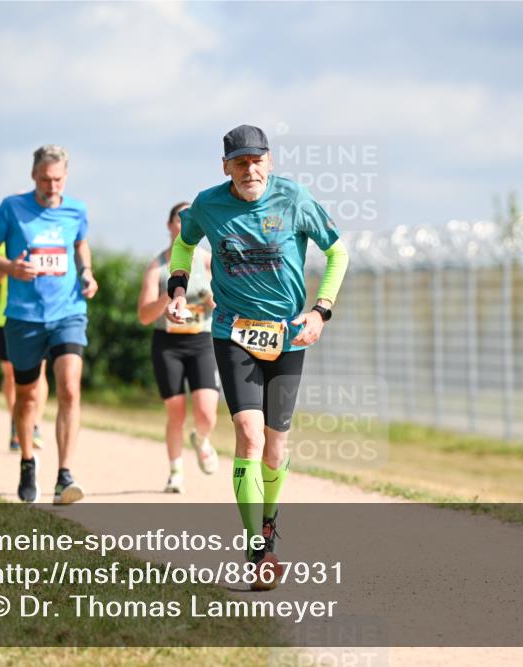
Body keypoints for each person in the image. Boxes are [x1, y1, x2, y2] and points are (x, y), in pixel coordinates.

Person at [166, 125, 349, 589]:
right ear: (225, 166)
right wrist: (178, 287)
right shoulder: (207, 204)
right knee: (248, 435)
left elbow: (337, 253)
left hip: (288, 337)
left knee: (275, 447)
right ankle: (258, 551)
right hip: (233, 333)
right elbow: (185, 243)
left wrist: (320, 312)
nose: (251, 169)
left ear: (269, 160)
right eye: (241, 162)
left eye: (257, 160)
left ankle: (269, 521)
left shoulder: (295, 198)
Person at [0, 144, 98, 504]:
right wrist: (10, 268)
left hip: (68, 311)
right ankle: (28, 461)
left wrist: (88, 273)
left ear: (66, 177)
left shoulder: (76, 209)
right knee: (28, 396)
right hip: (24, 316)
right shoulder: (12, 208)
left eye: (58, 179)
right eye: (46, 179)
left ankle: (65, 475)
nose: (52, 186)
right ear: (33, 176)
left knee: (69, 387)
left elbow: (80, 245)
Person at [137, 201, 220, 494]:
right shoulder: (157, 267)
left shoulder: (209, 261)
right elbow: (144, 316)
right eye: (179, 219)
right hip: (168, 345)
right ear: (169, 225)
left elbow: (225, 302)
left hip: (202, 342)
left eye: (191, 220)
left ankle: (202, 438)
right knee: (176, 413)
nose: (184, 225)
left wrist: (210, 297)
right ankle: (175, 472)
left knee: (207, 413)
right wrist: (169, 296)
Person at [0, 241, 48, 451]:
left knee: (40, 374)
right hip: (7, 318)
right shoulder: (1, 244)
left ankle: (33, 424)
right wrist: (8, 269)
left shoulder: (43, 240)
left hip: (38, 316)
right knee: (10, 375)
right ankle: (17, 422)